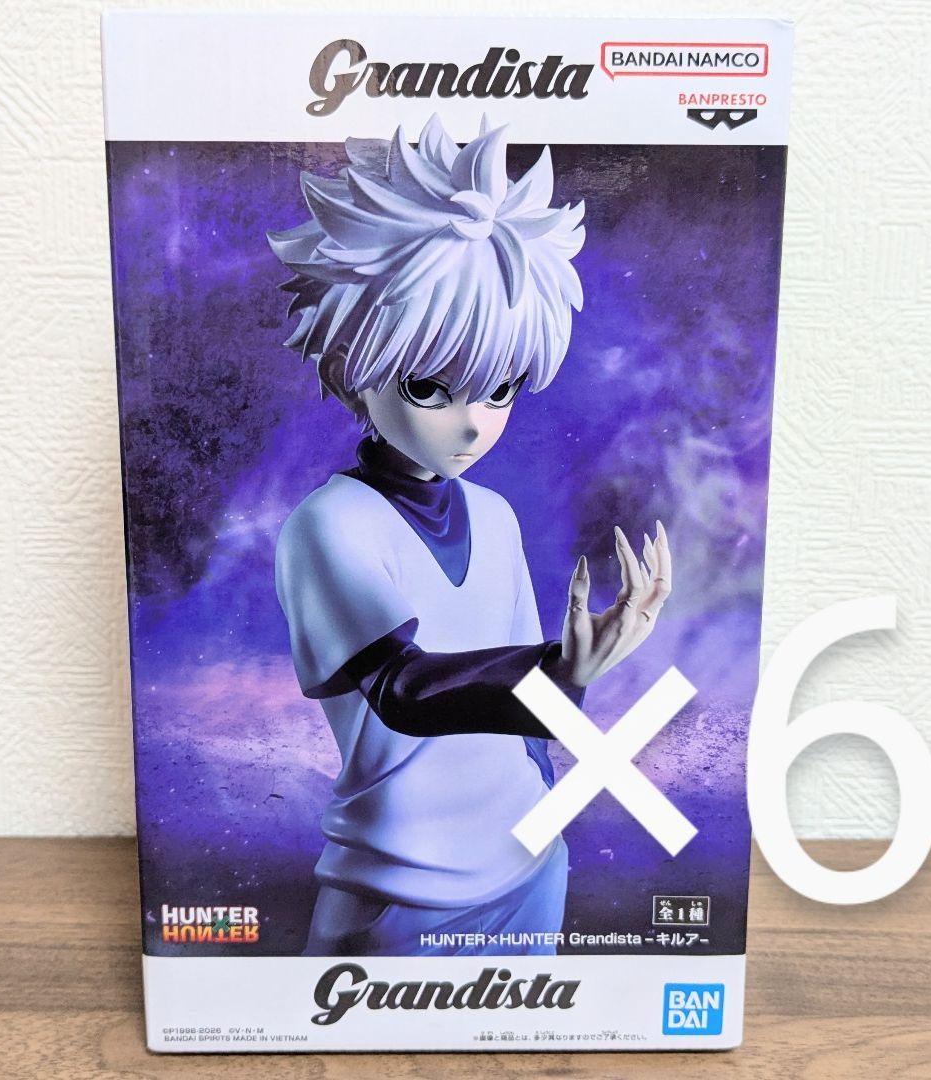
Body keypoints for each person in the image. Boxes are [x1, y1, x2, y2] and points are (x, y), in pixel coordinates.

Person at [268, 115, 672, 957]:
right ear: (351, 364)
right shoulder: (329, 525)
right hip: (397, 889)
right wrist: (558, 669)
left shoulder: (495, 516)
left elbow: (529, 723)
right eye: (431, 386)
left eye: (500, 389)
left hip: (528, 868)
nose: (473, 424)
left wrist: (565, 693)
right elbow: (404, 690)